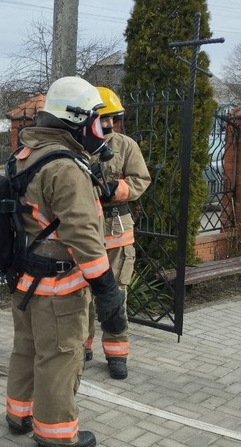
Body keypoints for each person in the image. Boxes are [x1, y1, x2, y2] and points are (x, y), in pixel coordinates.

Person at [3, 76, 126, 447]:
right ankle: (56, 436)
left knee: (26, 348)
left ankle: (19, 414)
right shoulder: (67, 168)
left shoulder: (26, 153)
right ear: (76, 120)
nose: (101, 129)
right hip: (58, 286)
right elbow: (84, 237)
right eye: (96, 120)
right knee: (59, 357)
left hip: (26, 278)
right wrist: (107, 291)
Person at [83, 87, 151, 380]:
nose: (109, 124)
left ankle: (116, 354)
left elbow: (140, 180)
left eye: (113, 118)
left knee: (114, 298)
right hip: (84, 233)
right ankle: (80, 348)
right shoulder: (78, 146)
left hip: (117, 233)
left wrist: (117, 189)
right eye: (102, 118)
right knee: (80, 295)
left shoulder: (125, 146)